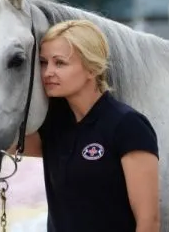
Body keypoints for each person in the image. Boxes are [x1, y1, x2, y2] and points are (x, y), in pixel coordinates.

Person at [13, 19, 160, 232]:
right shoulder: (53, 126)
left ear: (92, 69)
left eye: (60, 63)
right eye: (44, 63)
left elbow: (149, 222)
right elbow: (5, 142)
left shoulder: (128, 125)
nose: (47, 72)